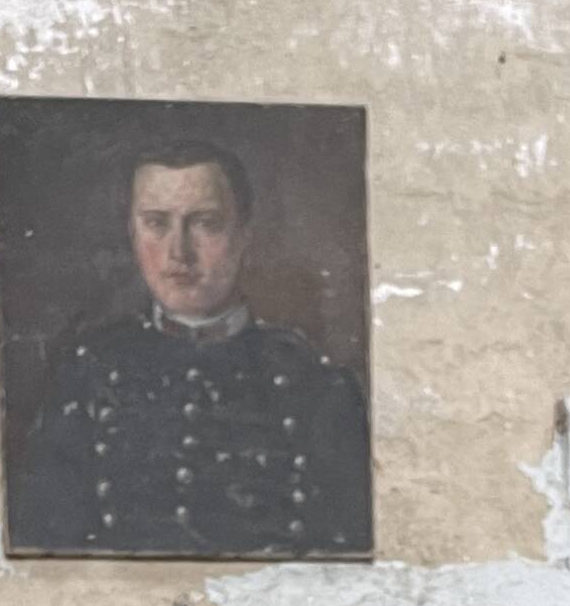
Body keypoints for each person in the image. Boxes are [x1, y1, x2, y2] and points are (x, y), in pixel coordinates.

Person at [18, 137, 370, 555]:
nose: (178, 252)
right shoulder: (86, 370)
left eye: (205, 223)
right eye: (156, 223)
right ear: (132, 232)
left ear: (244, 234)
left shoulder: (316, 383)